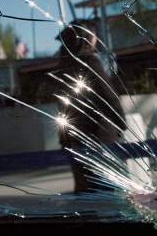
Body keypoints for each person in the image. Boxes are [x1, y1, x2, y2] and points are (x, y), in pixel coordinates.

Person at [54, 20, 125, 194]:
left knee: (87, 191)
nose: (95, 41)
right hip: (100, 136)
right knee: (109, 190)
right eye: (93, 37)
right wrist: (121, 123)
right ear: (85, 39)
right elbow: (108, 96)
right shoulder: (90, 62)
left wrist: (64, 139)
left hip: (75, 138)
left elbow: (62, 109)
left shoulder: (62, 68)